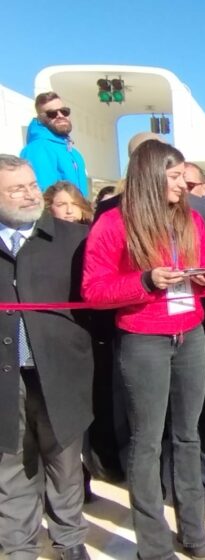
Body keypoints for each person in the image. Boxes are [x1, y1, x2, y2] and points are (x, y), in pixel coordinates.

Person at [82, 140, 205, 560]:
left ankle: (193, 534)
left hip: (191, 335)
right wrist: (144, 282)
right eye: (176, 176)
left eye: (184, 176)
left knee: (188, 436)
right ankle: (154, 545)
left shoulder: (193, 220)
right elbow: (93, 290)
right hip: (143, 339)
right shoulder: (113, 224)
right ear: (151, 175)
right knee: (146, 442)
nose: (184, 183)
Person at [0, 155, 93, 560]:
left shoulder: (73, 238)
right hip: (7, 375)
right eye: (16, 188)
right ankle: (18, 546)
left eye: (32, 185)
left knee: (64, 462)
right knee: (11, 463)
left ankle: (69, 540)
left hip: (59, 369)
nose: (30, 194)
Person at [20, 93, 88, 197]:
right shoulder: (38, 149)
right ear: (41, 119)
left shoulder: (72, 151)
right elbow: (43, 197)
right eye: (52, 114)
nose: (60, 116)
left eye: (64, 111)